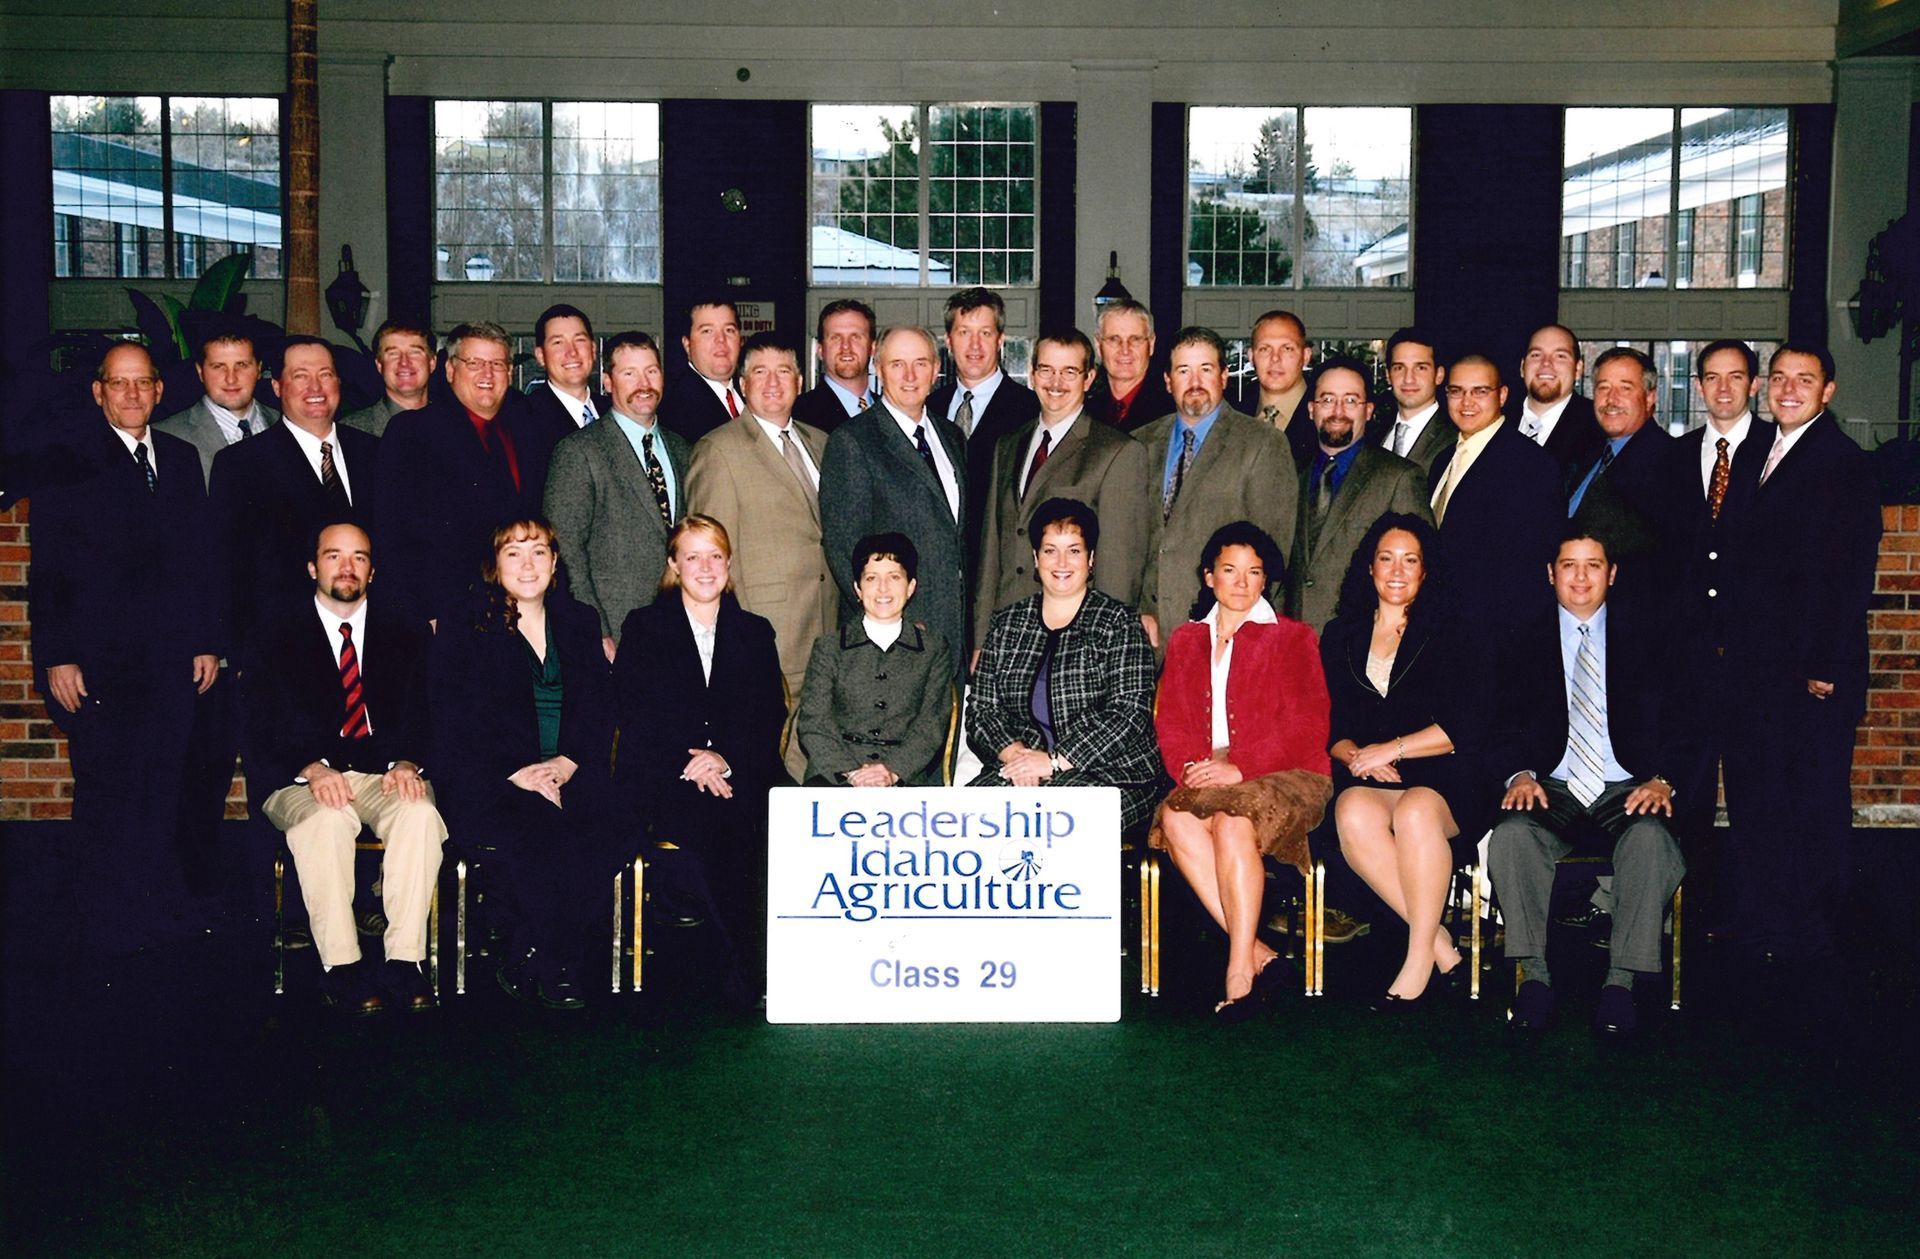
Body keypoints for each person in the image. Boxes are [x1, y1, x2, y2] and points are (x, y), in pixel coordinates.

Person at [29, 342, 220, 955]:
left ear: (160, 390)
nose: (132, 394)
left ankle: (155, 910)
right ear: (99, 392)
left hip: (170, 662)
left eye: (143, 383)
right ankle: (105, 920)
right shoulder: (68, 459)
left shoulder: (181, 458)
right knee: (107, 791)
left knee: (163, 787)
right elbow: (48, 567)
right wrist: (57, 655)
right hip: (98, 665)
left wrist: (205, 642)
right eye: (119, 383)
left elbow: (197, 562)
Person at [1489, 530, 1691, 1038]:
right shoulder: (1518, 637)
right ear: (1550, 573)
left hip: (1628, 785)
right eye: (1569, 565)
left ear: (1612, 574)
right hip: (1551, 784)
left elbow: (1688, 718)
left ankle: (1620, 984)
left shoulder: (1650, 634)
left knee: (1651, 841)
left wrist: (1663, 780)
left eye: (1593, 565)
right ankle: (1534, 979)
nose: (1580, 577)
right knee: (1512, 836)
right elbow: (1495, 722)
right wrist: (1518, 773)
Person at [1716, 344, 1882, 964]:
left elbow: (1849, 573)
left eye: (1804, 380)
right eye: (1780, 378)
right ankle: (1761, 918)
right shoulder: (1760, 451)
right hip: (1756, 669)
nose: (1788, 390)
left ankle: (1811, 931)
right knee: (1758, 796)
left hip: (1811, 674)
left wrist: (1825, 666)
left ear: (1828, 391)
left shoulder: (1844, 463)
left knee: (1810, 799)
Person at [246, 521, 445, 1016]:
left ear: (372, 571)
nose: (347, 567)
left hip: (382, 772)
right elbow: (258, 720)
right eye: (333, 556)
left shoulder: (405, 628)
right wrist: (311, 768)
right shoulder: (274, 629)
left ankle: (405, 961)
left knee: (419, 813)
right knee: (327, 819)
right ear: (312, 567)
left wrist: (407, 762)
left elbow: (428, 712)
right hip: (299, 775)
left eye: (359, 557)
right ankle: (343, 966)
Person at [430, 519, 628, 1010]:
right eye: (513, 553)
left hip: (569, 771)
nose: (527, 564)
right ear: (494, 565)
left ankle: (529, 951)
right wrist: (518, 772)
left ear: (555, 562)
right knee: (544, 830)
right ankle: (559, 966)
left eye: (538, 552)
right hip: (492, 779)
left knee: (616, 826)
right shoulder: (465, 624)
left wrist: (567, 762)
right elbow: (453, 718)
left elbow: (599, 707)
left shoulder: (580, 621)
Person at [1150, 521, 1333, 1019]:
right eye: (1229, 570)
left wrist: (1240, 766)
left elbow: (1308, 728)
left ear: (1265, 579)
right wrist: (1190, 767)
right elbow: (1172, 723)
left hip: (1290, 772)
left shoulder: (1293, 637)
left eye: (1254, 572)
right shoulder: (1186, 640)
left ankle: (1238, 973)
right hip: (1211, 774)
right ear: (1208, 576)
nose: (1241, 582)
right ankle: (1260, 953)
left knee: (1233, 823)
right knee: (1175, 817)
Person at [1321, 512, 1492, 1008]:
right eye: (1386, 559)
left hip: (1447, 775)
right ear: (1369, 568)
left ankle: (1417, 962)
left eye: (1410, 560)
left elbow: (1466, 726)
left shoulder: (1453, 630)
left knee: (1416, 811)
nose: (1397, 571)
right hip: (1374, 775)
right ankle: (1440, 945)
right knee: (1352, 809)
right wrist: (1358, 757)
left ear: (1425, 570)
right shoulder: (1340, 634)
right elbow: (1330, 725)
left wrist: (1391, 748)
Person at [613, 515, 787, 1004]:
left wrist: (724, 759)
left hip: (739, 770)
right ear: (674, 565)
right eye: (692, 557)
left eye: (715, 556)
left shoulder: (755, 631)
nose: (705, 568)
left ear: (729, 565)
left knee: (777, 819)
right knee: (714, 824)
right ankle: (749, 969)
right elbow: (633, 712)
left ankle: (770, 962)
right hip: (666, 773)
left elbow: (768, 715)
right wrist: (691, 763)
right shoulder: (644, 627)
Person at [686, 332, 836, 777]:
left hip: (825, 625)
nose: (773, 383)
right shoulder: (719, 450)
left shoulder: (822, 442)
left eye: (783, 371)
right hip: (764, 631)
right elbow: (707, 558)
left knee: (814, 750)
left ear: (801, 381)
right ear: (742, 383)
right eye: (760, 372)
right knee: (764, 757)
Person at [965, 498, 1161, 831]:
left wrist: (1053, 762)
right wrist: (1015, 756)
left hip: (1112, 773)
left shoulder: (1119, 623)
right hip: (1022, 768)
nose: (1061, 563)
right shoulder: (1007, 624)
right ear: (1035, 558)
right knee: (965, 818)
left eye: (1074, 551)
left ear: (1091, 558)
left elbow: (1129, 713)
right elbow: (982, 710)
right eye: (1049, 551)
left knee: (1055, 823)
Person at [375, 321, 572, 626]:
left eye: (497, 364)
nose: (487, 374)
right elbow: (394, 532)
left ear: (510, 372)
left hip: (527, 609)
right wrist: (428, 614)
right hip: (450, 614)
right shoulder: (414, 431)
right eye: (474, 363)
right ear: (450, 370)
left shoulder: (531, 430)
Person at [972, 328, 1148, 654]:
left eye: (1069, 372)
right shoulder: (1007, 445)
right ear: (1031, 374)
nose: (1056, 382)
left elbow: (1119, 569)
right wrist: (982, 641)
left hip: (1075, 639)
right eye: (1046, 370)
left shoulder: (1117, 452)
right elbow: (991, 551)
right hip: (1007, 633)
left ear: (1088, 378)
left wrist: (1101, 648)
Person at [210, 335, 380, 660]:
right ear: (277, 386)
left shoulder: (374, 453)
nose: (315, 387)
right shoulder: (242, 464)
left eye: (325, 374)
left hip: (371, 646)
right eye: (300, 376)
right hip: (282, 651)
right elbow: (228, 569)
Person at [820, 325, 970, 677]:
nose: (910, 375)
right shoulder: (853, 441)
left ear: (936, 370)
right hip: (891, 640)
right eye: (897, 364)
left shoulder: (951, 436)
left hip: (953, 632)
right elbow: (845, 548)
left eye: (920, 363)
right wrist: (890, 621)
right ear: (878, 369)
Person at [1137, 326, 1298, 652]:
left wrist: (1246, 636)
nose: (1195, 382)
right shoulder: (1140, 443)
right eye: (1184, 370)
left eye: (1206, 369)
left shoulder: (1263, 443)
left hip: (1225, 636)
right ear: (1168, 381)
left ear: (1224, 376)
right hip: (1147, 635)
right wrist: (1136, 611)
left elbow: (1273, 553)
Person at [543, 330, 691, 660]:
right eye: (629, 374)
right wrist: (596, 630)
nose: (644, 384)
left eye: (651, 371)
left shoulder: (682, 448)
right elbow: (566, 550)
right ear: (608, 382)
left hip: (680, 625)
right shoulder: (579, 451)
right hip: (615, 630)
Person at [796, 533, 955, 787]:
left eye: (894, 577)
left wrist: (892, 772)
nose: (883, 588)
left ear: (911, 587)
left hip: (904, 778)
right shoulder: (829, 648)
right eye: (871, 578)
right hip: (834, 777)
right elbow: (814, 722)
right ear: (858, 589)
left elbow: (931, 724)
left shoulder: (933, 650)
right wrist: (851, 773)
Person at [1287, 355, 1431, 633]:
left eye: (1351, 400)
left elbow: (1421, 570)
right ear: (1311, 409)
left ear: (1368, 410)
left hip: (1362, 640)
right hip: (1292, 640)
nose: (1338, 411)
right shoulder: (1291, 473)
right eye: (1327, 399)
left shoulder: (1398, 477)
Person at [1425, 354, 1562, 640]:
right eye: (1456, 391)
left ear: (1502, 395)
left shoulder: (1530, 464)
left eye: (1479, 391)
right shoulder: (1442, 461)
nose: (1466, 402)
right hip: (1441, 631)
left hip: (1494, 637)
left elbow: (1528, 570)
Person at [927, 287, 1040, 569]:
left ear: (1000, 340)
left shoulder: (1031, 410)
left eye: (985, 333)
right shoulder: (928, 408)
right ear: (948, 341)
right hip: (937, 566)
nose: (975, 345)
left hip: (1000, 565)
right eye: (964, 332)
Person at [1565, 347, 1675, 608]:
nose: (1611, 399)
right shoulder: (1589, 454)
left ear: (1650, 397)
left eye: (1625, 388)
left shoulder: (1671, 463)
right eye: (1603, 387)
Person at [156, 324, 280, 482]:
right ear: (200, 372)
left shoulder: (288, 425)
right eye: (218, 367)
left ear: (259, 369)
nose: (231, 378)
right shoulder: (164, 438)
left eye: (241, 365)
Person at [1508, 323, 1606, 483]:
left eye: (1560, 356)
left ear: (1578, 369)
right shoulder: (1494, 421)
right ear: (1522, 367)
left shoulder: (1600, 430)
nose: (1546, 363)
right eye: (1536, 355)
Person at [657, 297, 743, 443]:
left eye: (729, 330)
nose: (721, 339)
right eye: (707, 331)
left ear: (740, 340)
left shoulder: (754, 394)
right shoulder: (676, 411)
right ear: (687, 345)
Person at [1373, 326, 1455, 475]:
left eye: (1420, 368)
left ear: (1439, 375)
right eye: (1399, 368)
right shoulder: (1373, 434)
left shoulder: (1455, 438)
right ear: (1388, 376)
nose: (1408, 379)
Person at [1084, 298, 1173, 433]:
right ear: (1098, 345)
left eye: (1135, 339)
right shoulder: (1082, 403)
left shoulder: (1171, 407)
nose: (1125, 350)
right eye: (1114, 339)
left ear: (1151, 344)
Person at [1247, 309, 1320, 469]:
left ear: (1306, 356)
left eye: (1287, 348)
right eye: (1265, 349)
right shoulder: (1231, 416)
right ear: (1251, 357)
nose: (1275, 358)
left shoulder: (1327, 417)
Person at [793, 299, 876, 432]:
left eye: (855, 337)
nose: (846, 347)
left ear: (873, 348)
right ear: (820, 350)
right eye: (835, 338)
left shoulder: (895, 411)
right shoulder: (797, 416)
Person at [341, 318, 434, 436]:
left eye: (414, 353)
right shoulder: (349, 433)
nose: (404, 362)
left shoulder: (453, 427)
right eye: (393, 354)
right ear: (379, 366)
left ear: (432, 363)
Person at [526, 303, 606, 430]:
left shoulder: (617, 413)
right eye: (558, 342)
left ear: (593, 349)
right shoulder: (522, 419)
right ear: (541, 356)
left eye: (579, 340)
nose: (572, 352)